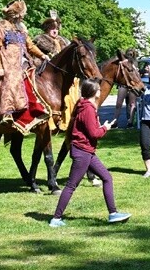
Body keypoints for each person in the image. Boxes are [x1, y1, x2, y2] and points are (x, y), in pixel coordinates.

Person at [48, 77, 131, 227]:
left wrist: (101, 126)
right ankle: (56, 219)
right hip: (82, 152)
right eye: (98, 89)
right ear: (93, 91)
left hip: (87, 151)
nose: (100, 90)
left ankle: (113, 214)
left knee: (107, 177)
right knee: (71, 186)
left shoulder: (86, 106)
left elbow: (90, 131)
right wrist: (105, 128)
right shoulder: (87, 108)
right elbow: (94, 133)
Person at [0, 0, 50, 125]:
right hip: (7, 64)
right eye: (21, 14)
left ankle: (35, 109)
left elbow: (30, 46)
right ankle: (6, 112)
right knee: (11, 78)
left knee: (35, 77)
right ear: (15, 14)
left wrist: (42, 55)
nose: (23, 17)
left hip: (23, 62)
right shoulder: (0, 28)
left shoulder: (21, 30)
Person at [113, 49, 139, 128]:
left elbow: (135, 72)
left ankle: (130, 122)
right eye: (128, 54)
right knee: (118, 103)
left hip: (132, 85)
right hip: (123, 85)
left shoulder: (135, 62)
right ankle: (115, 121)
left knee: (132, 104)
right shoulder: (122, 61)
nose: (130, 56)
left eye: (131, 54)